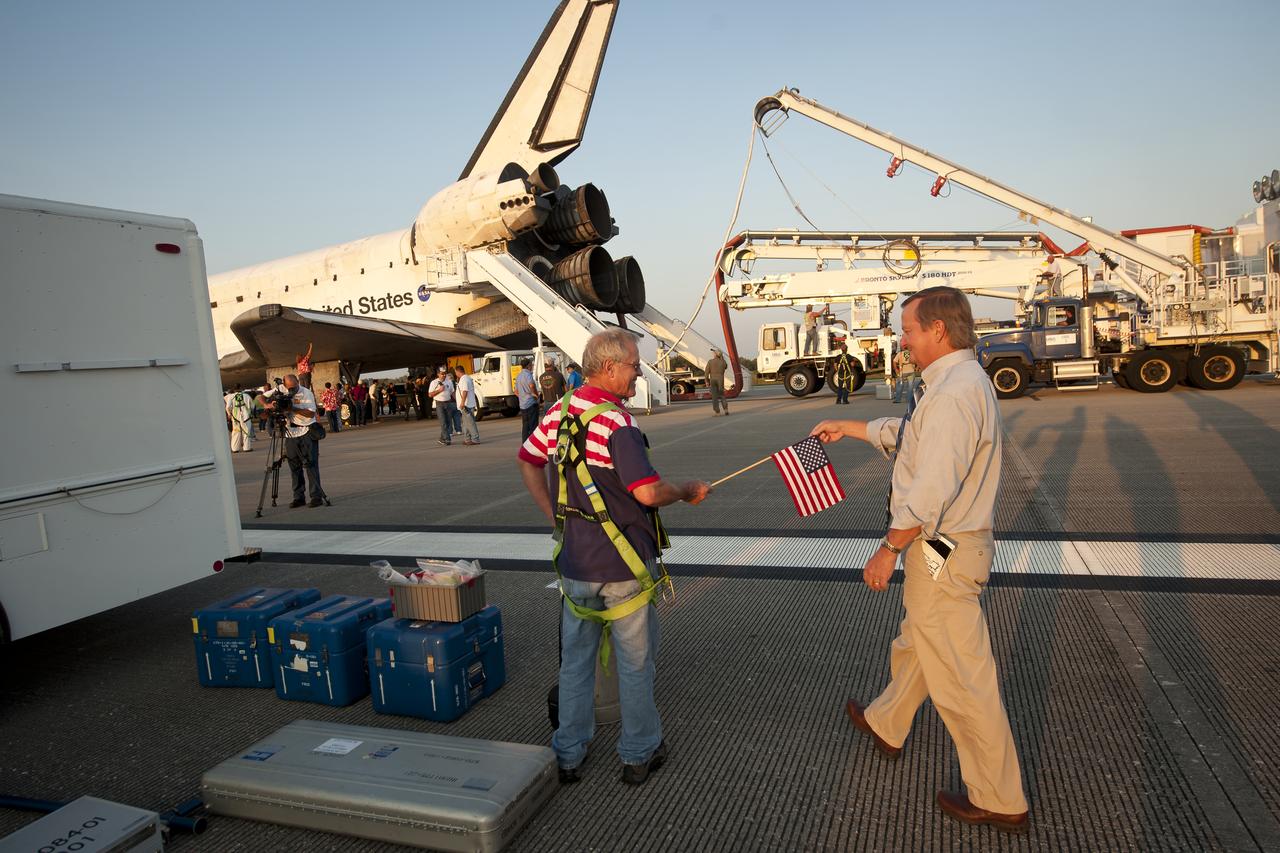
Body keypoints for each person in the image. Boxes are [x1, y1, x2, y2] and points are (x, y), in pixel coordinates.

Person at [809, 286, 1028, 832]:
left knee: (961, 676)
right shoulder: (954, 383)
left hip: (943, 547)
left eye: (907, 330)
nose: (901, 340)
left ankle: (1000, 799)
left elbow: (931, 487)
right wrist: (852, 428)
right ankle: (888, 721)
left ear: (938, 330)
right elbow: (913, 438)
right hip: (944, 549)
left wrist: (888, 549)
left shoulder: (954, 393)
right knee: (919, 639)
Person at [517, 328, 711, 786]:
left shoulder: (558, 411)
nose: (638, 372)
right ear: (609, 367)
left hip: (575, 564)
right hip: (623, 565)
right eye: (633, 364)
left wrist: (554, 516)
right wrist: (685, 491)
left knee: (576, 663)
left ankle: (567, 753)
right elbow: (646, 491)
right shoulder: (618, 424)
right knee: (635, 663)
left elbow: (527, 460)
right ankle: (639, 753)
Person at [282, 374, 327, 508]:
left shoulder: (306, 393)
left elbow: (311, 413)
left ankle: (316, 496)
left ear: (298, 382)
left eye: (294, 387)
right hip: (290, 433)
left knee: (311, 464)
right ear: (284, 386)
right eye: (289, 388)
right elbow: (263, 399)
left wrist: (293, 409)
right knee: (294, 467)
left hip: (306, 432)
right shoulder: (282, 392)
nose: (292, 390)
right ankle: (298, 497)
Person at [428, 366, 456, 447]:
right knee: (443, 422)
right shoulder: (434, 382)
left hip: (448, 403)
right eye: (442, 374)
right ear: (438, 374)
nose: (444, 375)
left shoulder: (449, 382)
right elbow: (430, 394)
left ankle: (441, 439)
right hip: (439, 404)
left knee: (448, 422)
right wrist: (439, 390)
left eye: (445, 373)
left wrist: (457, 401)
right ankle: (447, 439)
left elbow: (452, 392)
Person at [454, 364, 481, 445]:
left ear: (457, 371)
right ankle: (467, 439)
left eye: (455, 372)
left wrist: (462, 402)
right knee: (465, 423)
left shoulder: (464, 379)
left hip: (466, 405)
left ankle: (475, 439)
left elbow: (465, 391)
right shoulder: (465, 378)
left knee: (470, 423)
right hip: (466, 404)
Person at [224, 385, 254, 452]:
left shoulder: (231, 396)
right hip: (246, 417)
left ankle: (235, 449)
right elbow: (252, 406)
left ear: (234, 389)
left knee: (236, 432)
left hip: (235, 417)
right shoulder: (247, 396)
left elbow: (228, 407)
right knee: (246, 431)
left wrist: (229, 414)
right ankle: (247, 448)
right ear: (241, 388)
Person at [516, 357, 539, 442]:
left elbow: (516, 391)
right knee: (533, 425)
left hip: (523, 405)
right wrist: (535, 395)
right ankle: (533, 443)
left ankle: (525, 443)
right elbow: (532, 386)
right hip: (531, 403)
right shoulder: (528, 374)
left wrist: (522, 396)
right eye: (531, 365)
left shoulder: (518, 376)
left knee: (525, 426)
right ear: (529, 366)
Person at [705, 348, 729, 416]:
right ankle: (726, 409)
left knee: (714, 396)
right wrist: (721, 357)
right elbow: (726, 366)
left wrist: (706, 381)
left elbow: (706, 372)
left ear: (715, 355)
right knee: (722, 395)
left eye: (714, 353)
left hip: (713, 380)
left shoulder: (710, 361)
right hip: (720, 380)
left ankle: (717, 412)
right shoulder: (723, 362)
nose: (713, 354)